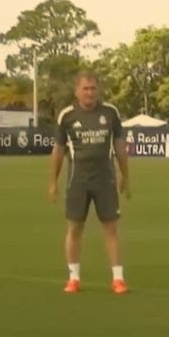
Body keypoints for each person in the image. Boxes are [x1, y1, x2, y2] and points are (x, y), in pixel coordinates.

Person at [48, 73, 130, 294]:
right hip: (78, 180)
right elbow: (58, 150)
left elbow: (120, 145)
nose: (90, 93)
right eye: (85, 89)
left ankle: (118, 279)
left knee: (111, 228)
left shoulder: (110, 113)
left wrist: (126, 176)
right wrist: (53, 181)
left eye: (93, 88)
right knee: (74, 228)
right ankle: (73, 278)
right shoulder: (67, 116)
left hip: (105, 179)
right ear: (77, 91)